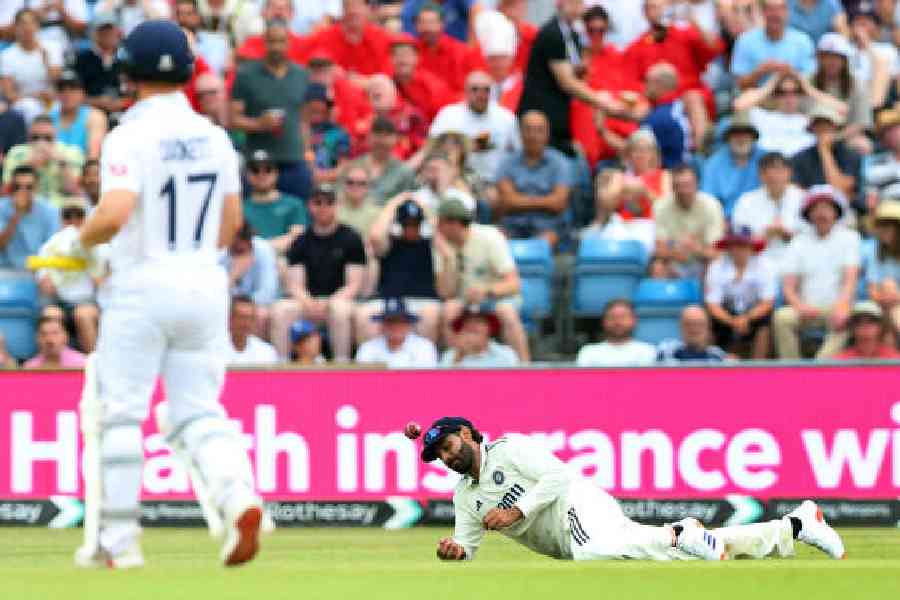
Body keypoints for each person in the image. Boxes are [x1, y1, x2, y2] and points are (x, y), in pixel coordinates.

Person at [62, 20, 263, 568]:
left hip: (142, 284)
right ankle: (238, 498)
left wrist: (81, 243)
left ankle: (117, 544)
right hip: (203, 283)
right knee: (197, 411)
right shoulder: (214, 137)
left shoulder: (129, 134)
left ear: (129, 73)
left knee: (121, 414)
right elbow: (231, 223)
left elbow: (117, 210)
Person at [410, 416, 846, 562]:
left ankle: (680, 532)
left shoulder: (509, 449)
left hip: (576, 504)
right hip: (570, 534)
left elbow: (561, 476)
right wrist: (456, 551)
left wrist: (516, 512)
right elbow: (469, 544)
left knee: (591, 552)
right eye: (440, 457)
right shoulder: (464, 497)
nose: (447, 458)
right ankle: (796, 525)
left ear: (467, 433)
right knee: (677, 554)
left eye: (448, 446)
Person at [272, 184, 366, 361]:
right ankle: (281, 364)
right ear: (310, 205)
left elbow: (354, 284)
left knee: (338, 310)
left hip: (341, 300)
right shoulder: (300, 241)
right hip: (307, 301)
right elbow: (295, 284)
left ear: (337, 206)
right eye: (318, 202)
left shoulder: (351, 238)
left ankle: (342, 364)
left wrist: (330, 302)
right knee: (281, 310)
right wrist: (309, 302)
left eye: (329, 202)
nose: (323, 207)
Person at [435, 197, 530, 362]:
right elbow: (445, 293)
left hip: (495, 299)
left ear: (454, 224)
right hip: (464, 301)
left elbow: (514, 283)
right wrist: (448, 259)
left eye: (440, 223)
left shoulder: (489, 237)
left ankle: (525, 367)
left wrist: (487, 290)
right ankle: (452, 365)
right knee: (448, 310)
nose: (437, 229)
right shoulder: (441, 246)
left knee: (506, 312)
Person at [517, 0, 615, 156]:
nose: (578, 6)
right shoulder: (552, 33)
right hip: (542, 115)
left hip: (559, 115)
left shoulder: (572, 34)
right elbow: (566, 82)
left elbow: (572, 71)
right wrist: (601, 101)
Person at [773, 185, 861, 359]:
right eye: (817, 208)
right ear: (809, 214)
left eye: (827, 208)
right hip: (805, 309)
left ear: (836, 212)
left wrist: (842, 305)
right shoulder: (798, 242)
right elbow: (789, 287)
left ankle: (819, 366)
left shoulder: (850, 238)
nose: (822, 213)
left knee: (848, 317)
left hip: (836, 307)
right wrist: (800, 306)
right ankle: (791, 368)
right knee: (781, 317)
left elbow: (850, 280)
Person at [231, 18, 312, 202]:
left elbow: (304, 120)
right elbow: (233, 120)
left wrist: (308, 154)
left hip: (294, 160)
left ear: (289, 43)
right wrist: (259, 124)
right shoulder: (246, 75)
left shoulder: (301, 74)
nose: (276, 47)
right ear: (264, 42)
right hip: (258, 164)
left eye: (281, 41)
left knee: (298, 218)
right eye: (272, 41)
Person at [357, 196, 440, 342]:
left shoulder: (430, 244)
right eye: (407, 224)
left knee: (430, 315)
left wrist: (422, 205)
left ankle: (425, 362)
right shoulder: (389, 242)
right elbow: (375, 236)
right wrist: (393, 203)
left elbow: (439, 229)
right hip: (389, 299)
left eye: (415, 224)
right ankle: (368, 361)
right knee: (364, 315)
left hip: (423, 300)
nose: (411, 228)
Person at [429, 70, 522, 186]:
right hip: (456, 180)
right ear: (466, 91)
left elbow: (520, 153)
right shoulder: (449, 115)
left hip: (496, 182)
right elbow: (432, 148)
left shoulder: (506, 117)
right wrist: (465, 146)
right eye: (475, 89)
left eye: (486, 90)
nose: (481, 94)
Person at [36, 197, 104, 353]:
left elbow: (102, 284)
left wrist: (88, 255)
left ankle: (93, 366)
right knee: (50, 315)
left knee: (83, 315)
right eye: (68, 216)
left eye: (79, 215)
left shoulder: (99, 247)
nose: (73, 221)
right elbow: (46, 289)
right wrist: (58, 268)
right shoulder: (49, 247)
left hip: (88, 302)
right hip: (59, 301)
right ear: (61, 220)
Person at [496, 110, 572, 249]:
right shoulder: (507, 162)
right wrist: (545, 201)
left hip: (548, 226)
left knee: (543, 245)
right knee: (496, 243)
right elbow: (507, 202)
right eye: (528, 129)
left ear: (547, 133)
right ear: (520, 133)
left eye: (539, 130)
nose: (533, 135)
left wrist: (520, 200)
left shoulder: (560, 162)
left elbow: (559, 203)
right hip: (513, 225)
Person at [705, 226, 777, 359]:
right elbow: (712, 304)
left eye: (743, 245)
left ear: (751, 247)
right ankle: (714, 363)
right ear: (729, 248)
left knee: (765, 323)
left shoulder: (765, 265)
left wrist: (747, 318)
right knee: (709, 321)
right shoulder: (716, 266)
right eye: (734, 245)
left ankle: (758, 367)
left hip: (754, 313)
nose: (738, 250)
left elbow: (767, 302)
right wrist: (732, 321)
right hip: (726, 313)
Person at [732, 152, 806, 272]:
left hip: (797, 263)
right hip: (758, 264)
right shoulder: (746, 201)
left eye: (779, 171)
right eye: (767, 172)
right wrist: (765, 234)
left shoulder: (803, 198)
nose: (773, 176)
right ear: (760, 175)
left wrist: (787, 234)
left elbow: (811, 236)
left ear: (789, 172)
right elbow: (740, 238)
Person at [653, 165, 725, 278]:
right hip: (674, 261)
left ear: (697, 184)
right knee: (658, 267)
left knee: (714, 267)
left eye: (687, 185)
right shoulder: (661, 206)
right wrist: (676, 252)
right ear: (672, 187)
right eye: (677, 186)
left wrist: (696, 249)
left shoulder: (712, 205)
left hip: (703, 261)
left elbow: (717, 253)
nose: (683, 190)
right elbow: (659, 249)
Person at [731, 0, 816, 90]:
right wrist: (760, 71)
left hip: (793, 98)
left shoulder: (803, 41)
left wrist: (791, 73)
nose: (775, 14)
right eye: (770, 9)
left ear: (787, 12)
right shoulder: (745, 41)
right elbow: (740, 84)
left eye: (780, 9)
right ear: (763, 12)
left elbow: (811, 82)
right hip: (756, 99)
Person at [2, 115, 84, 208]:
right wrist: (28, 166)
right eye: (35, 138)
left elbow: (76, 191)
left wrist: (62, 163)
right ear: (28, 136)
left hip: (62, 209)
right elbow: (6, 192)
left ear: (56, 135)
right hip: (26, 207)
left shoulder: (71, 152)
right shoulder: (17, 153)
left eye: (47, 138)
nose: (41, 142)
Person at [811, 32, 873, 155]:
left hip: (845, 135)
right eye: (826, 56)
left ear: (845, 60)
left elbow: (860, 123)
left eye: (836, 57)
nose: (831, 61)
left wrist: (835, 138)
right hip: (812, 134)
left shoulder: (857, 84)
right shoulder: (808, 81)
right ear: (819, 58)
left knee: (862, 145)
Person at [791, 103, 862, 208]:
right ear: (812, 128)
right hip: (809, 211)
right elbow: (796, 193)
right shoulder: (799, 158)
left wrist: (825, 151)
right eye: (818, 124)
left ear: (836, 127)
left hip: (843, 211)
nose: (823, 128)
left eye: (828, 124)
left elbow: (842, 191)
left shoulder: (850, 156)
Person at [0, 8, 64, 122]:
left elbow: (59, 83)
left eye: (31, 23)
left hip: (51, 99)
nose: (27, 28)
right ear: (15, 27)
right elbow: (9, 94)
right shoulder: (6, 56)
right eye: (23, 24)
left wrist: (46, 62)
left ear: (38, 26)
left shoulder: (52, 48)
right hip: (23, 102)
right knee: (29, 107)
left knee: (59, 106)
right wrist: (35, 96)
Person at [241, 149, 306, 255]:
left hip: (283, 263)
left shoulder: (294, 204)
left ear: (276, 173)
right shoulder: (239, 208)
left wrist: (259, 247)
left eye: (268, 169)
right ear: (247, 175)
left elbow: (298, 238)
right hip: (248, 265)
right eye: (255, 170)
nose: (261, 175)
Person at [699, 113, 765, 218]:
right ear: (728, 138)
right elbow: (708, 200)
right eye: (736, 134)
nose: (741, 138)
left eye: (746, 133)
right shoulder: (714, 164)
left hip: (760, 219)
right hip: (726, 221)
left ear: (753, 137)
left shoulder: (765, 159)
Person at [305, 0, 394, 78]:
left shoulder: (380, 37)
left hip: (373, 92)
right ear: (342, 10)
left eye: (358, 5)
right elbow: (317, 68)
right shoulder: (325, 37)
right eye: (348, 5)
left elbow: (386, 77)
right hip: (338, 93)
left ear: (368, 9)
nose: (353, 11)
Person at [220, 223, 279, 331]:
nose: (237, 247)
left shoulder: (264, 249)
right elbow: (216, 294)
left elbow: (268, 293)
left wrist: (245, 304)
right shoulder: (221, 254)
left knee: (257, 314)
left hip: (258, 305)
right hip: (228, 305)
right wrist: (233, 277)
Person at [0, 165, 61, 270]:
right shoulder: (2, 208)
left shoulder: (50, 211)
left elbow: (53, 248)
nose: (22, 191)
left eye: (29, 187)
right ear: (11, 188)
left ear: (36, 188)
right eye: (17, 187)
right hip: (6, 271)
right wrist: (16, 214)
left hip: (40, 270)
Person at [346, 117, 417, 205]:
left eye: (387, 135)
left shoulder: (403, 172)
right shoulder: (353, 166)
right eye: (378, 134)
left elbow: (411, 202)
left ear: (395, 139)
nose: (381, 141)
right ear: (369, 137)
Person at [355, 297, 438, 368]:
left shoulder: (424, 347)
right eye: (390, 321)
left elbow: (426, 382)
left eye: (400, 321)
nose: (395, 326)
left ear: (408, 324)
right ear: (382, 325)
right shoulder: (368, 348)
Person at [71, 13, 126, 116]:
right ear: (95, 34)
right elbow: (72, 92)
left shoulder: (125, 58)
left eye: (111, 30)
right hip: (89, 111)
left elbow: (135, 91)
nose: (108, 34)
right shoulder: (82, 59)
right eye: (103, 31)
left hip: (122, 112)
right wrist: (96, 101)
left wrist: (121, 103)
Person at [575, 299, 657, 367]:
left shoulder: (648, 351)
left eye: (623, 317)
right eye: (612, 317)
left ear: (634, 320)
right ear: (604, 321)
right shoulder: (589, 352)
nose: (618, 322)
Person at [413, 2, 472, 93]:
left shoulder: (459, 51)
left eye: (432, 22)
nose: (427, 28)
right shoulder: (412, 51)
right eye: (422, 22)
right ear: (416, 25)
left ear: (442, 24)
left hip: (453, 104)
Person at [49, 70, 108, 160]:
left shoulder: (94, 117)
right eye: (62, 89)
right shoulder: (48, 117)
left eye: (73, 89)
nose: (67, 94)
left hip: (83, 170)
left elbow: (93, 157)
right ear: (56, 94)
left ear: (83, 93)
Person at [441, 306, 520, 367]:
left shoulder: (505, 354)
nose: (472, 325)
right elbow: (443, 385)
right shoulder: (450, 355)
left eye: (478, 321)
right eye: (467, 322)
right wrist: (459, 356)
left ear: (490, 328)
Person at [867, 200, 900, 335]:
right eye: (880, 225)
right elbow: (873, 290)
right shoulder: (875, 253)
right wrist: (885, 298)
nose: (882, 230)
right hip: (883, 304)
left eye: (888, 225)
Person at [657, 305, 728, 362]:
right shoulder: (667, 352)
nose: (694, 329)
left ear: (708, 328)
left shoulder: (718, 357)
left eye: (699, 324)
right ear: (680, 327)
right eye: (688, 324)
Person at [833, 300, 900, 359]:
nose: (865, 325)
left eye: (871, 320)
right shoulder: (841, 361)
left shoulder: (894, 358)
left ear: (881, 326)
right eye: (858, 321)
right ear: (852, 327)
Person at [228, 295, 279, 366]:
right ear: (229, 319)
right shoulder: (215, 350)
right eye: (241, 317)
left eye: (251, 318)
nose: (246, 323)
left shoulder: (266, 352)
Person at [23, 315, 87, 369]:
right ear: (37, 338)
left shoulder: (82, 363)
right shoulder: (30, 367)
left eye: (55, 333)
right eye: (44, 334)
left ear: (66, 336)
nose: (49, 339)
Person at [337, 163, 380, 240]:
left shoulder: (378, 214)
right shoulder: (332, 211)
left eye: (361, 183)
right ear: (343, 184)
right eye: (350, 182)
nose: (355, 187)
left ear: (368, 186)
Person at [865, 107, 900, 203]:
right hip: (887, 212)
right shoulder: (873, 162)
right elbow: (871, 195)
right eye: (885, 132)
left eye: (894, 128)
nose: (890, 134)